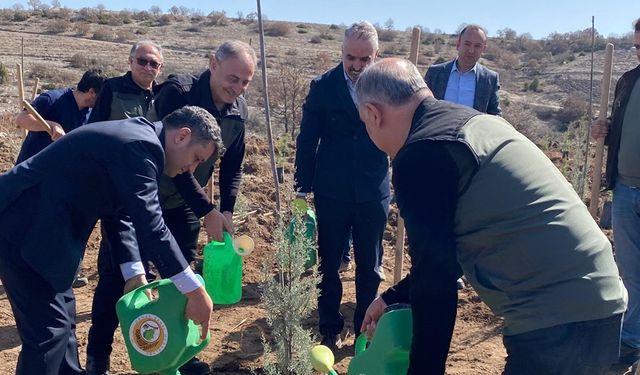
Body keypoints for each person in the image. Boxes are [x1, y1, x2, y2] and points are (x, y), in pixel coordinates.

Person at [358, 58, 627, 375]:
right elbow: (441, 258)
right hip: (599, 298)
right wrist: (393, 297)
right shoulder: (472, 124)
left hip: (557, 320)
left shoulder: (423, 152)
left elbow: (437, 283)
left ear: (373, 115)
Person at [0, 106, 219, 375]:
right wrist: (193, 289)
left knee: (64, 328)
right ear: (182, 136)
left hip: (47, 237)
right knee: (48, 336)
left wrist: (134, 274)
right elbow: (151, 225)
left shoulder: (138, 140)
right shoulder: (141, 145)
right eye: (196, 158)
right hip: (23, 229)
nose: (191, 169)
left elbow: (121, 214)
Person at [86, 40, 256, 375]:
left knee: (181, 274)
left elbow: (234, 164)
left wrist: (227, 210)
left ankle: (181, 351)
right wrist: (208, 209)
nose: (237, 88)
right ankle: (98, 357)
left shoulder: (239, 112)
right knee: (118, 277)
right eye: (232, 78)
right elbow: (173, 163)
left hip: (183, 208)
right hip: (136, 198)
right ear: (213, 63)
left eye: (245, 82)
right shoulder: (179, 92)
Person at [294, 21, 390, 349]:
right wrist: (301, 186)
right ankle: (329, 328)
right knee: (330, 262)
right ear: (342, 52)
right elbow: (307, 140)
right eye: (351, 57)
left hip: (373, 189)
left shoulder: (389, 87)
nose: (357, 66)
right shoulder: (323, 87)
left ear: (376, 56)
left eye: (365, 59)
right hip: (332, 189)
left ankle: (366, 332)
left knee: (370, 266)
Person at [15, 69, 107, 289]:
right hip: (33, 177)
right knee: (27, 225)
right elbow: (22, 118)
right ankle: (17, 273)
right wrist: (50, 125)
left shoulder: (88, 113)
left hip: (62, 181)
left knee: (60, 226)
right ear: (92, 92)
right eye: (102, 96)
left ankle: (60, 272)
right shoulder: (53, 98)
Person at [590, 17, 640, 368]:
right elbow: (620, 128)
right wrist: (603, 129)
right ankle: (631, 341)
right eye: (638, 46)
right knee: (631, 272)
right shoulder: (628, 80)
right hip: (625, 189)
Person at [424, 24, 501, 116]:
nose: (471, 50)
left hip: (472, 130)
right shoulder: (435, 73)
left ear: (483, 49)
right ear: (458, 44)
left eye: (477, 46)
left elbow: (495, 115)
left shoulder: (489, 79)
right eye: (467, 44)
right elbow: (422, 106)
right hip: (437, 129)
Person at [88, 40, 163, 123]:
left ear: (160, 67)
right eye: (142, 61)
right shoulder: (112, 88)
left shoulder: (163, 94)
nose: (147, 68)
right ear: (130, 61)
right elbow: (94, 125)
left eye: (153, 64)